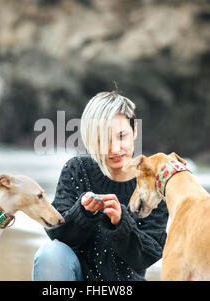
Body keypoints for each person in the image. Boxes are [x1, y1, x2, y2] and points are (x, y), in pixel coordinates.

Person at [32, 91, 169, 281]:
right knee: (50, 254)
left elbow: (150, 253)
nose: (114, 149)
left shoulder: (152, 183)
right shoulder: (77, 170)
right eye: (104, 139)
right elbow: (56, 231)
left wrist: (121, 223)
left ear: (135, 131)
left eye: (121, 136)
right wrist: (83, 213)